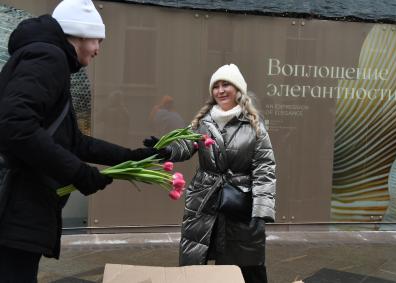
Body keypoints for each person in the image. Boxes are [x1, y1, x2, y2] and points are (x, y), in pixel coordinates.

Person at [0, 0, 167, 282]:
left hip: (19, 209)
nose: (99, 49)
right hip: (15, 207)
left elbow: (77, 144)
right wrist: (77, 172)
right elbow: (15, 124)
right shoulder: (48, 57)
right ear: (80, 34)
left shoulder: (48, 60)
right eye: (97, 40)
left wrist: (136, 156)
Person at [146, 64, 276, 283]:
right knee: (196, 262)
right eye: (216, 86)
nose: (220, 90)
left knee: (246, 264)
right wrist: (165, 150)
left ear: (238, 89)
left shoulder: (254, 125)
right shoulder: (203, 122)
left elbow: (265, 168)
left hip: (239, 203)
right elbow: (185, 146)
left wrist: (261, 211)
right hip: (204, 200)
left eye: (226, 84)